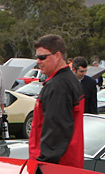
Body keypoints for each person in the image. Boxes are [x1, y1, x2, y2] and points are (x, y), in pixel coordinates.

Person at [28, 34, 84, 167]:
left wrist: (43, 166)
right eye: (37, 57)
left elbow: (56, 132)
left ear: (57, 56)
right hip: (65, 163)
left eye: (42, 57)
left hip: (56, 167)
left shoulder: (59, 86)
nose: (38, 61)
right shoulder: (66, 80)